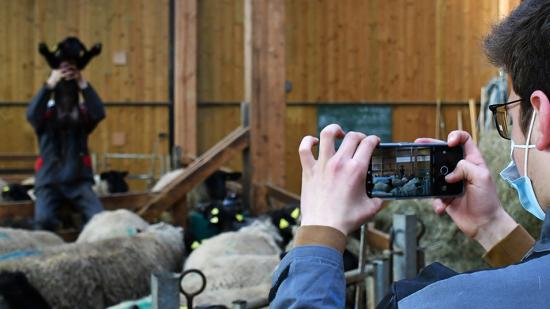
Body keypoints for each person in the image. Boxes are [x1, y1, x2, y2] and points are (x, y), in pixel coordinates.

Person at [270, 0, 550, 307]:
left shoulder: (432, 302)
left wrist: (318, 235)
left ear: (540, 119)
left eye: (507, 117)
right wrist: (492, 226)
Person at [27, 61, 105, 230]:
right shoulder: (46, 116)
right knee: (44, 221)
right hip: (49, 182)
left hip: (78, 181)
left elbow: (99, 112)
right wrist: (51, 82)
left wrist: (81, 82)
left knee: (99, 218)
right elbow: (32, 114)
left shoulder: (81, 117)